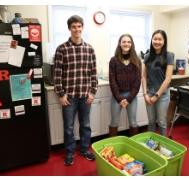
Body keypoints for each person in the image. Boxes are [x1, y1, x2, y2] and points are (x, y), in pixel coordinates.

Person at [54, 15, 98, 166]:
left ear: (82, 27)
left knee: (85, 125)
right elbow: (57, 74)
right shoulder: (61, 49)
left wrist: (92, 92)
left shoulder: (90, 49)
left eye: (79, 26)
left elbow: (93, 73)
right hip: (69, 97)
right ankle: (70, 152)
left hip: (86, 95)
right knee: (69, 127)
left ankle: (85, 149)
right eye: (74, 26)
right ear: (69, 28)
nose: (77, 29)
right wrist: (60, 94)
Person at [142, 29, 174, 136]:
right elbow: (144, 77)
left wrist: (156, 95)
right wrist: (145, 94)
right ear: (151, 40)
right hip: (149, 93)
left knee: (161, 122)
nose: (157, 41)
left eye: (160, 39)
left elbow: (168, 79)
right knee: (151, 122)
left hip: (163, 94)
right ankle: (150, 147)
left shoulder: (169, 56)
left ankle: (162, 147)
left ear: (164, 41)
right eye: (155, 39)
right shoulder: (147, 56)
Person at [108, 34, 142, 136]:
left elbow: (137, 81)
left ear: (132, 44)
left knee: (133, 122)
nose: (126, 44)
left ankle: (133, 147)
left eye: (129, 42)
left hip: (131, 96)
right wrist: (119, 98)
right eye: (124, 42)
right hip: (117, 96)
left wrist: (129, 99)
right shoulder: (113, 60)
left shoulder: (137, 60)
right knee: (114, 122)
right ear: (120, 43)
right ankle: (113, 146)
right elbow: (112, 80)